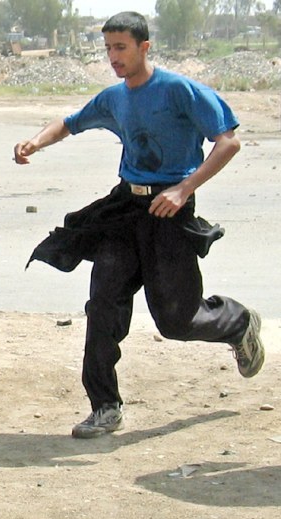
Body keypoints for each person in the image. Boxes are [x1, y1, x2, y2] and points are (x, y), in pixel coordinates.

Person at [13, 12, 264, 440]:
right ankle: (105, 406)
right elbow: (70, 122)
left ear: (144, 47)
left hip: (171, 212)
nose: (113, 57)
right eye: (108, 48)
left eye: (121, 48)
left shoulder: (180, 91)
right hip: (125, 211)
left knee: (176, 320)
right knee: (103, 299)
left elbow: (229, 141)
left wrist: (184, 190)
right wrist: (35, 141)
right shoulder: (115, 98)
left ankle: (237, 323)